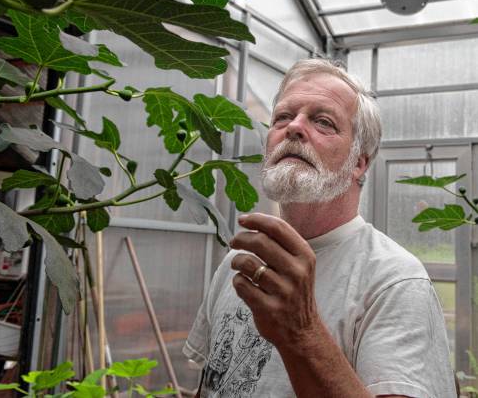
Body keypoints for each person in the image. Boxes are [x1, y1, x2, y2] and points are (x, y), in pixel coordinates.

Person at [183, 58, 456, 397]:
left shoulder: (394, 281)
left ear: (359, 162)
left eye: (323, 122)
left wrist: (302, 331)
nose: (294, 127)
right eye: (282, 117)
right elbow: (212, 383)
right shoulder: (239, 259)